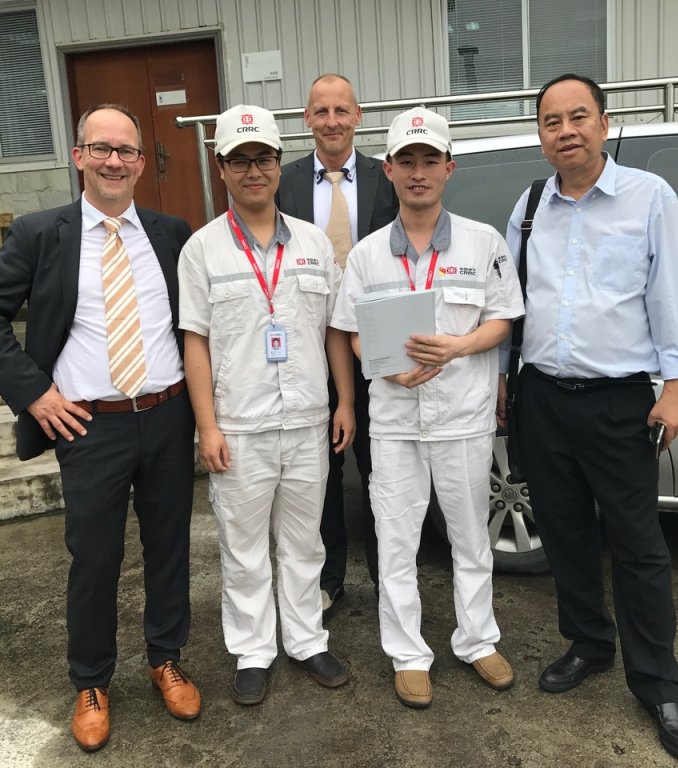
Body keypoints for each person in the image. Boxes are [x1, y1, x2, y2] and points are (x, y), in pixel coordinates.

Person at [0, 104, 200, 752]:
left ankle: (166, 658)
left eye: (126, 151)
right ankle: (91, 681)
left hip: (168, 415)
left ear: (142, 164)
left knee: (170, 547)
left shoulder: (171, 233)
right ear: (79, 157)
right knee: (95, 557)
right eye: (101, 149)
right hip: (90, 426)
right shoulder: (42, 233)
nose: (114, 161)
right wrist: (34, 393)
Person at [502, 73, 678, 761]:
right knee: (564, 532)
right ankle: (589, 642)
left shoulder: (649, 197)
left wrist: (674, 388)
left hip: (619, 400)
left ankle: (659, 685)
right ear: (540, 135)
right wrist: (504, 381)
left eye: (578, 116)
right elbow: (511, 302)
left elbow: (671, 293)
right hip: (542, 396)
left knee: (638, 544)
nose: (566, 131)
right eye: (552, 121)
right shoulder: (531, 205)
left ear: (604, 123)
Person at [332, 107, 524, 709]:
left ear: (448, 168)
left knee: (470, 538)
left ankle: (478, 640)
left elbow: (502, 318)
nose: (419, 173)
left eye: (430, 161)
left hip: (463, 418)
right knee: (396, 541)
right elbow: (350, 330)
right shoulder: (367, 255)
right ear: (388, 170)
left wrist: (459, 346)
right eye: (406, 161)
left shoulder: (483, 243)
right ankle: (409, 654)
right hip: (394, 423)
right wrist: (385, 365)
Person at [178, 104, 355, 706]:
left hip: (307, 420)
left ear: (280, 164)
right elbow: (195, 343)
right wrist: (207, 426)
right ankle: (254, 650)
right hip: (240, 426)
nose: (253, 171)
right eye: (240, 161)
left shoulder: (312, 242)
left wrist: (345, 401)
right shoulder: (202, 250)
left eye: (263, 159)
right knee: (244, 547)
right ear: (221, 167)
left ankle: (306, 640)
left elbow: (333, 331)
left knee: (306, 543)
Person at [277, 73, 399, 619]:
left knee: (382, 469)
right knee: (318, 474)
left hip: (377, 343)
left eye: (341, 110)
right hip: (307, 344)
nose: (331, 121)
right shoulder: (282, 182)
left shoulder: (387, 177)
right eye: (321, 111)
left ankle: (386, 578)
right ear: (307, 118)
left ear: (358, 116)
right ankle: (328, 580)